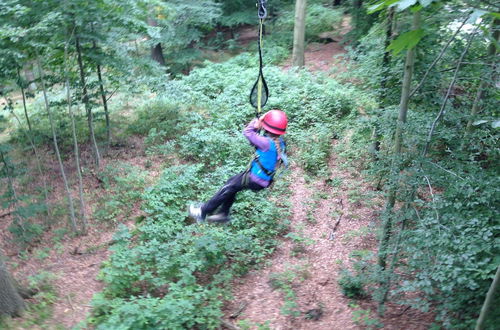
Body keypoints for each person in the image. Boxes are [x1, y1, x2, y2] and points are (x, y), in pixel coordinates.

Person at [189, 109, 288, 224]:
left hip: (255, 178)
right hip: (264, 180)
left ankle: (202, 211)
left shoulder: (265, 143)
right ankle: (223, 213)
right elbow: (259, 144)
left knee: (228, 187)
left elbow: (248, 132)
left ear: (267, 127)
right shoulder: (280, 142)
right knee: (232, 184)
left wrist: (257, 122)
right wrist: (261, 125)